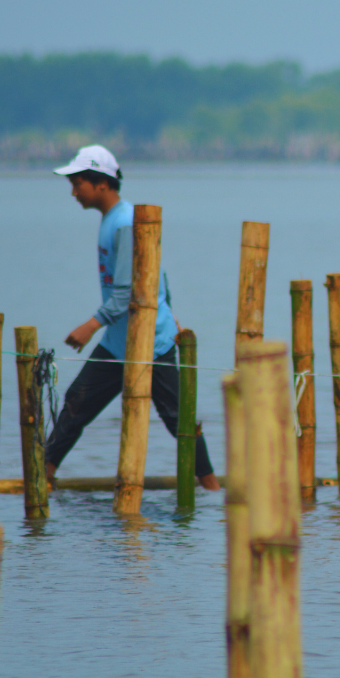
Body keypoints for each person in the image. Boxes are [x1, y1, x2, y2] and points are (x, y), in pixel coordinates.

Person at [44, 145, 221, 490]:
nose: (73, 191)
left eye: (77, 182)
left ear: (101, 184)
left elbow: (128, 290)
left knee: (178, 418)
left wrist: (90, 325)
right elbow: (160, 278)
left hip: (150, 341)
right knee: (77, 402)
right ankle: (43, 475)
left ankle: (211, 486)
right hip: (118, 341)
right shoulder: (114, 220)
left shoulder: (125, 222)